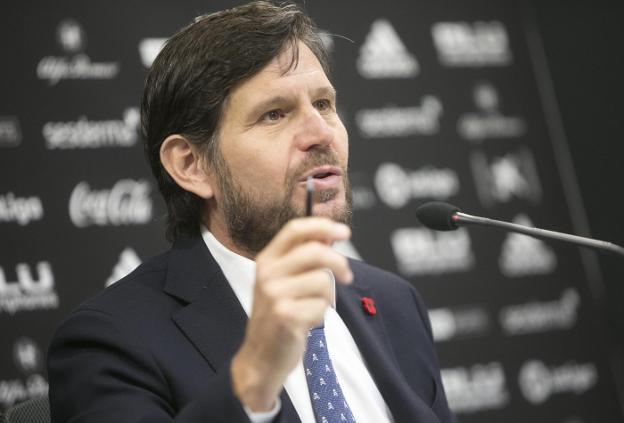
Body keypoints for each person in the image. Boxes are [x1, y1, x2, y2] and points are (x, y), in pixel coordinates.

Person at [47, 2, 456, 422]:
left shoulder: (394, 304)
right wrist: (254, 375)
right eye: (274, 114)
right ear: (191, 165)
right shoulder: (111, 341)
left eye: (324, 104)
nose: (320, 133)